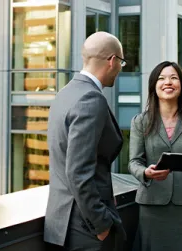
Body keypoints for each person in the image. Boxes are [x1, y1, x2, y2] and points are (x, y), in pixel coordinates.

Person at [44, 31, 127, 251]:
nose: (120, 69)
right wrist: (101, 224)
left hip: (60, 223)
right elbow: (78, 172)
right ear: (112, 61)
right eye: (121, 62)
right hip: (85, 228)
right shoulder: (91, 99)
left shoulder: (64, 93)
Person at [129, 61, 182, 251]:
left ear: (181, 85)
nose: (168, 82)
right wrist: (146, 173)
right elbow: (134, 161)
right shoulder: (141, 122)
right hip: (152, 204)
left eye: (174, 78)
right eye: (161, 78)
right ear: (153, 86)